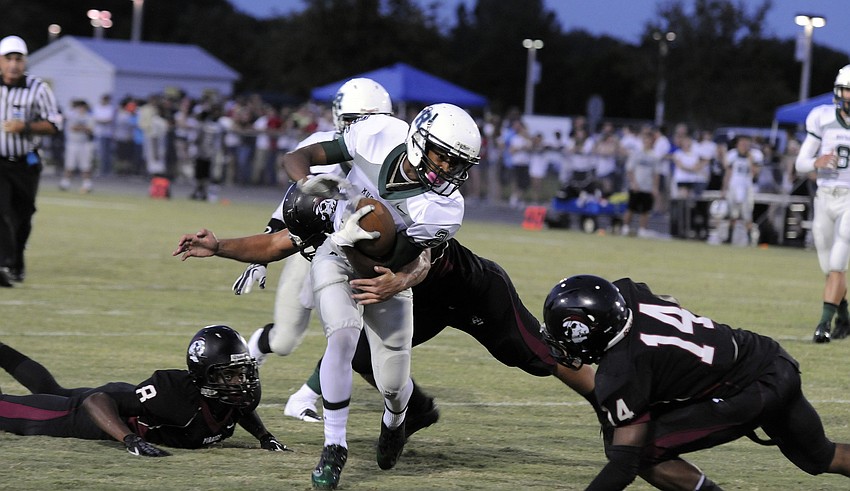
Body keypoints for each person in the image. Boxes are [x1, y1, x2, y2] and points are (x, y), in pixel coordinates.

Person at [285, 102, 480, 489]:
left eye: (457, 164)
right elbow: (299, 156)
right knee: (341, 338)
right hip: (337, 252)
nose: (447, 170)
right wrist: (310, 191)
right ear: (419, 141)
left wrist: (348, 229)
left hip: (384, 272)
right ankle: (334, 446)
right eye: (443, 157)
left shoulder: (444, 208)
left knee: (391, 381)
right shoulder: (378, 134)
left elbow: (392, 257)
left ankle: (395, 419)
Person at [540, 274, 850, 490]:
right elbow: (669, 302)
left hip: (752, 390)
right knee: (821, 456)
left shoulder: (619, 372)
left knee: (639, 449)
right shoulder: (628, 293)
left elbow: (624, 467)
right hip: (768, 356)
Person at [0, 325, 289, 456]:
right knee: (20, 413)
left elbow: (240, 410)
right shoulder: (174, 392)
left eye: (241, 372)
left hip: (128, 399)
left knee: (51, 389)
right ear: (204, 373)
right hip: (97, 418)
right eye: (230, 375)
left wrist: (265, 437)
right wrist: (129, 440)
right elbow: (97, 401)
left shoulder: (226, 398)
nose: (240, 381)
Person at [0, 35, 62, 286]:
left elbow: (55, 124)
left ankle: (15, 261)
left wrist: (24, 126)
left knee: (22, 216)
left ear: (25, 61)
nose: (14, 64)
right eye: (9, 59)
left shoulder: (38, 89)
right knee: (1, 212)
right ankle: (3, 263)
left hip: (26, 162)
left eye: (18, 59)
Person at [797, 64, 850, 343]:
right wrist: (816, 162)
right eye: (847, 91)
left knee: (838, 262)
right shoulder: (822, 118)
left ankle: (823, 325)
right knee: (826, 264)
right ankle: (845, 316)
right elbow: (801, 162)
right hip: (825, 196)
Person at [722, 135, 762, 245]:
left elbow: (755, 172)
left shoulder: (754, 155)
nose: (744, 146)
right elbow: (728, 173)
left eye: (746, 144)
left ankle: (749, 240)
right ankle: (729, 238)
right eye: (742, 143)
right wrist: (724, 188)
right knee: (732, 214)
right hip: (733, 187)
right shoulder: (732, 155)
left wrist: (750, 160)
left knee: (747, 215)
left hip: (747, 188)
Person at [621, 130, 661, 237]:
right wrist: (633, 183)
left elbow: (656, 174)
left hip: (647, 187)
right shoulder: (636, 154)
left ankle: (642, 230)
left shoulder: (654, 156)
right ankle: (625, 228)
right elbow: (630, 170)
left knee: (645, 210)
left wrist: (655, 187)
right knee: (630, 208)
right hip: (636, 186)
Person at [59, 99, 95, 194]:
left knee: (85, 165)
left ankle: (87, 184)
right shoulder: (73, 116)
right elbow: (73, 128)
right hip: (73, 143)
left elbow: (90, 129)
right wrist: (83, 128)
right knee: (70, 164)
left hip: (84, 143)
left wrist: (81, 128)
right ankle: (65, 183)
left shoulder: (89, 117)